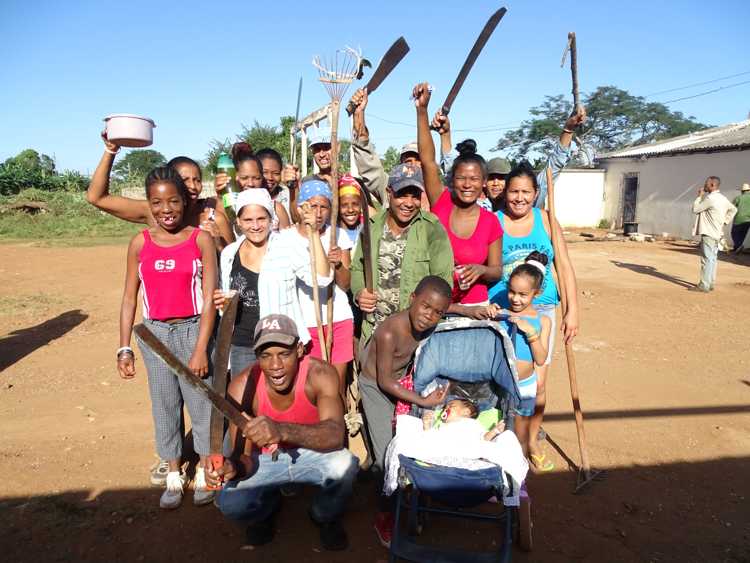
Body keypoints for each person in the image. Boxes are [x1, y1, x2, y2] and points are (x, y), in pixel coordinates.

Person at [208, 314, 358, 551]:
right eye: (265, 356)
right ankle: (265, 511)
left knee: (344, 464)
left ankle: (323, 515)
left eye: (284, 354)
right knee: (230, 502)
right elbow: (244, 457)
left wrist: (281, 430)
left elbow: (334, 435)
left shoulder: (319, 374)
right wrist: (233, 468)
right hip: (265, 461)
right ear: (257, 356)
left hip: (311, 454)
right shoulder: (242, 386)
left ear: (299, 350)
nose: (275, 366)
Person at [117, 166, 218, 509]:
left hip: (193, 330)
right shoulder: (139, 243)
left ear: (183, 200)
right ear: (149, 204)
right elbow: (130, 297)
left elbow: (209, 300)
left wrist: (202, 347)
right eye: (157, 203)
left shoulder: (200, 239)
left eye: (173, 201)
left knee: (201, 403)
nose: (166, 209)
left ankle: (205, 467)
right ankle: (174, 472)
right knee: (164, 403)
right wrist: (124, 348)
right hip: (155, 334)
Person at [488, 161, 579, 471]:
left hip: (541, 309)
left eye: (526, 192)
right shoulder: (493, 221)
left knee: (538, 384)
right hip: (503, 310)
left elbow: (564, 265)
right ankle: (507, 440)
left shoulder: (547, 220)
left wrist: (572, 311)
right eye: (514, 191)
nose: (519, 198)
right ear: (505, 193)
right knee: (505, 380)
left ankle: (531, 440)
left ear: (536, 193)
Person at [358, 275, 453, 547]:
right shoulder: (389, 331)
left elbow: (450, 308)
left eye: (438, 313)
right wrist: (422, 401)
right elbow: (383, 381)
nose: (429, 316)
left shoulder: (429, 318)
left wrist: (469, 310)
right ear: (412, 299)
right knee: (388, 455)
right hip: (376, 387)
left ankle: (412, 500)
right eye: (426, 307)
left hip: (401, 383)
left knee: (415, 445)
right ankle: (384, 515)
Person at [214, 189, 329, 376]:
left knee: (281, 401)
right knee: (245, 400)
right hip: (242, 343)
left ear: (271, 219)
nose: (256, 226)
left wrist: (314, 235)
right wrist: (222, 304)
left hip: (280, 344)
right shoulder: (229, 254)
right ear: (238, 222)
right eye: (248, 220)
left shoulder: (286, 246)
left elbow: (322, 279)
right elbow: (226, 307)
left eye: (261, 219)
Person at [414, 82, 503, 319]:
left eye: (474, 179)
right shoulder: (441, 201)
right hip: (436, 308)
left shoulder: (490, 221)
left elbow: (496, 271)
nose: (467, 184)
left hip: (477, 310)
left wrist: (481, 269)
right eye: (461, 178)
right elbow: (428, 161)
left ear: (483, 182)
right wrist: (422, 111)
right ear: (452, 180)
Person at [350, 163, 454, 345]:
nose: (408, 203)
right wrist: (360, 293)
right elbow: (357, 268)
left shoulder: (432, 229)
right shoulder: (371, 227)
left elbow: (443, 282)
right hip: (374, 333)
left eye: (415, 196)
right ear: (389, 192)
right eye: (402, 195)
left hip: (415, 338)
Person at [87, 133, 234, 251]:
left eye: (197, 180)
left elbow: (233, 261)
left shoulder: (212, 215)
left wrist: (217, 242)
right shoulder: (153, 211)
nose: (193, 186)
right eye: (185, 180)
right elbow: (96, 197)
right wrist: (110, 150)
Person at [274, 179, 355, 392]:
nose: (318, 213)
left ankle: (340, 424)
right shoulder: (285, 238)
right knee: (311, 386)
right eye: (312, 206)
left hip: (338, 318)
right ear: (301, 207)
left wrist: (337, 264)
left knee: (336, 386)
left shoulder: (337, 235)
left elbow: (346, 284)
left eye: (324, 207)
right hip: (305, 323)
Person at [497, 252, 552, 466]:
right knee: (498, 430)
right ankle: (497, 476)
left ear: (536, 294)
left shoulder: (543, 321)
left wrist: (530, 332)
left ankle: (517, 478)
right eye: (511, 292)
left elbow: (540, 358)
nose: (515, 299)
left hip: (525, 386)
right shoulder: (502, 315)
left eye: (523, 294)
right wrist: (492, 313)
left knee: (519, 436)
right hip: (501, 384)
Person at [214, 143, 291, 230]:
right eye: (244, 178)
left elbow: (287, 240)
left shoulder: (276, 208)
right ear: (234, 178)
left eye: (257, 178)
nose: (250, 183)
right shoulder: (229, 206)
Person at [690, 176, 737, 292]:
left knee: (707, 258)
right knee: (712, 259)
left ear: (712, 185)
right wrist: (725, 221)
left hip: (708, 232)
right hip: (717, 232)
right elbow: (734, 209)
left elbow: (695, 209)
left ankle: (704, 285)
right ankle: (710, 283)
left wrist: (699, 197)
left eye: (706, 183)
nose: (704, 185)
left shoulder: (710, 199)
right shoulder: (722, 198)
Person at [255, 148, 293, 219]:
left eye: (276, 173)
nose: (270, 178)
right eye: (264, 172)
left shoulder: (289, 196)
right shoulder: (247, 197)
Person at [731, 183, 750, 253]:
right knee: (742, 234)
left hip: (738, 219)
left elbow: (732, 207)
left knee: (734, 233)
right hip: (748, 220)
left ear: (742, 191)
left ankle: (738, 245)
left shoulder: (738, 198)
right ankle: (737, 248)